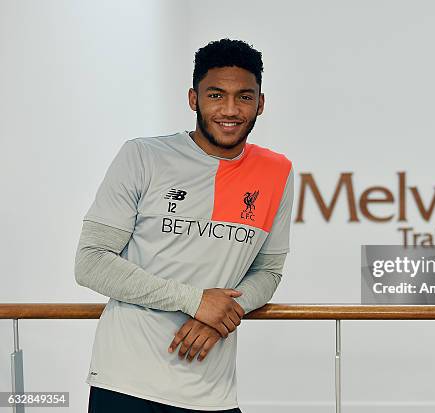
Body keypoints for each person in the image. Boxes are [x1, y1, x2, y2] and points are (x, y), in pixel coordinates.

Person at [74, 39, 293, 412]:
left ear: (260, 103)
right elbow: (91, 262)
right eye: (215, 94)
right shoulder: (143, 156)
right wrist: (194, 302)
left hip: (213, 391)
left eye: (243, 97)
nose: (229, 109)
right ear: (193, 99)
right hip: (127, 384)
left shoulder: (277, 172)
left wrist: (220, 316)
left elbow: (268, 272)